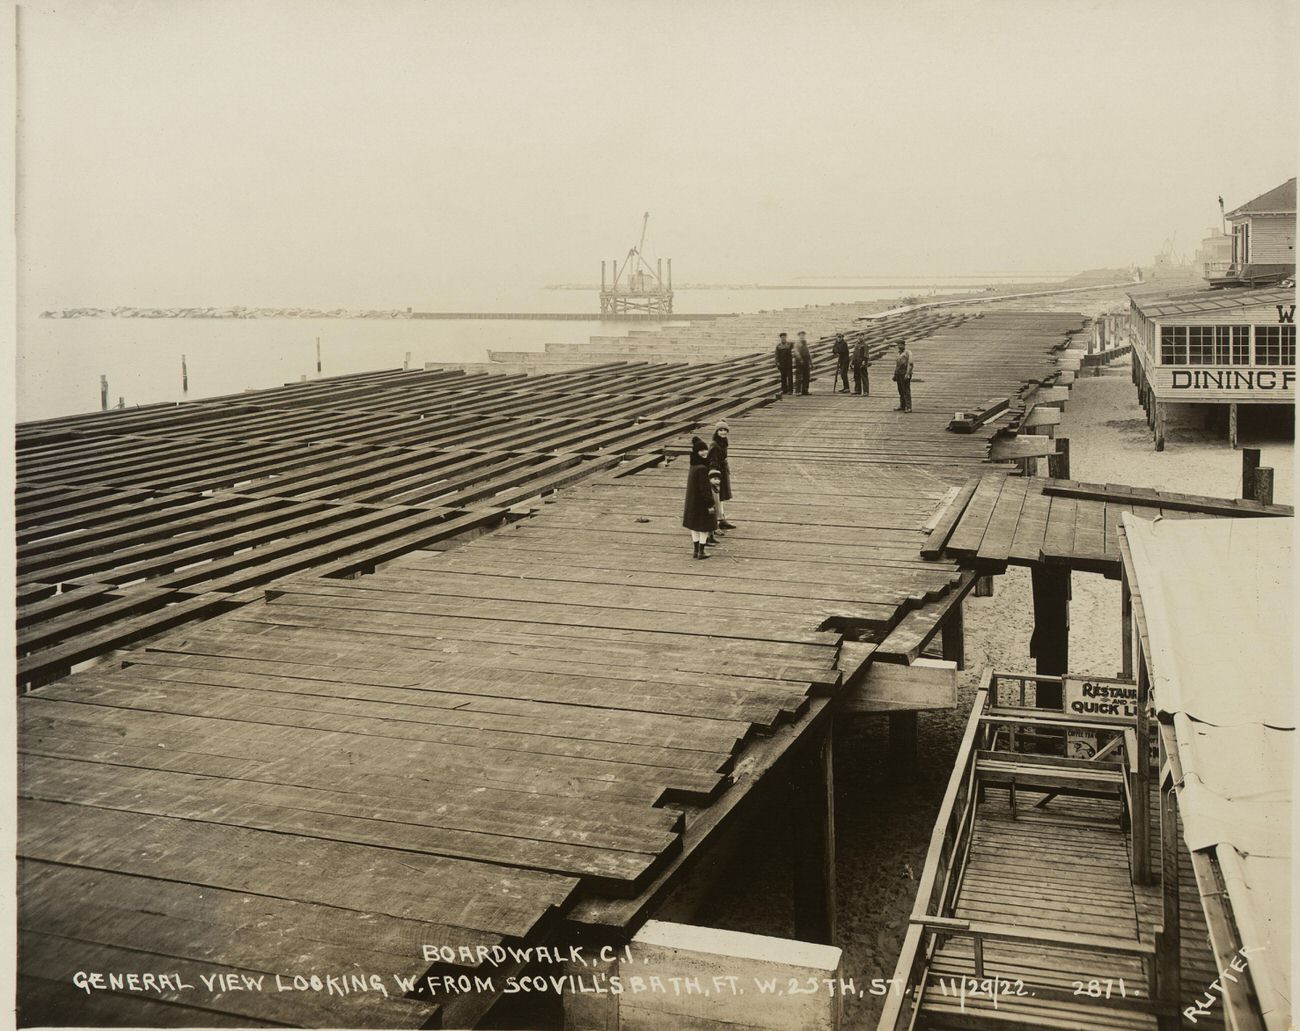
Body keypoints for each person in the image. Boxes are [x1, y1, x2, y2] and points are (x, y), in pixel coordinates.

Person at [682, 435, 715, 559]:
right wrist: (710, 503)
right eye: (701, 450)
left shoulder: (693, 466)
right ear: (696, 452)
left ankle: (695, 551)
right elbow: (705, 489)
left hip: (692, 501)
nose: (704, 452)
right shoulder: (702, 468)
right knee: (704, 527)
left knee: (693, 526)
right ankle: (702, 551)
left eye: (705, 449)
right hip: (701, 503)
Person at [708, 420, 735, 530]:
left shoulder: (723, 442)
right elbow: (712, 461)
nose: (723, 432)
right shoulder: (715, 445)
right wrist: (714, 476)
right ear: (716, 432)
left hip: (722, 471)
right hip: (717, 473)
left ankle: (722, 519)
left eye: (725, 430)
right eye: (720, 430)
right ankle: (716, 521)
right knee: (716, 497)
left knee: (721, 497)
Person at [893, 338, 913, 412]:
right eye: (898, 345)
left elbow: (910, 364)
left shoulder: (908, 353)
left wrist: (908, 374)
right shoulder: (898, 353)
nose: (899, 346)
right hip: (899, 374)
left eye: (900, 345)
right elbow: (897, 365)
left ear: (904, 345)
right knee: (900, 390)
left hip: (905, 373)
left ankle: (908, 407)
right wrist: (895, 374)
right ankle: (902, 405)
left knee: (906, 390)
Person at [794, 331, 812, 396]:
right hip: (799, 361)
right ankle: (797, 391)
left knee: (807, 376)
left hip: (806, 361)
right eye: (801, 335)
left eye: (803, 335)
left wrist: (810, 361)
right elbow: (796, 352)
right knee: (799, 377)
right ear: (799, 336)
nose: (802, 336)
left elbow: (807, 352)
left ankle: (805, 391)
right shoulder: (797, 343)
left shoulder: (805, 342)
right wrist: (800, 359)